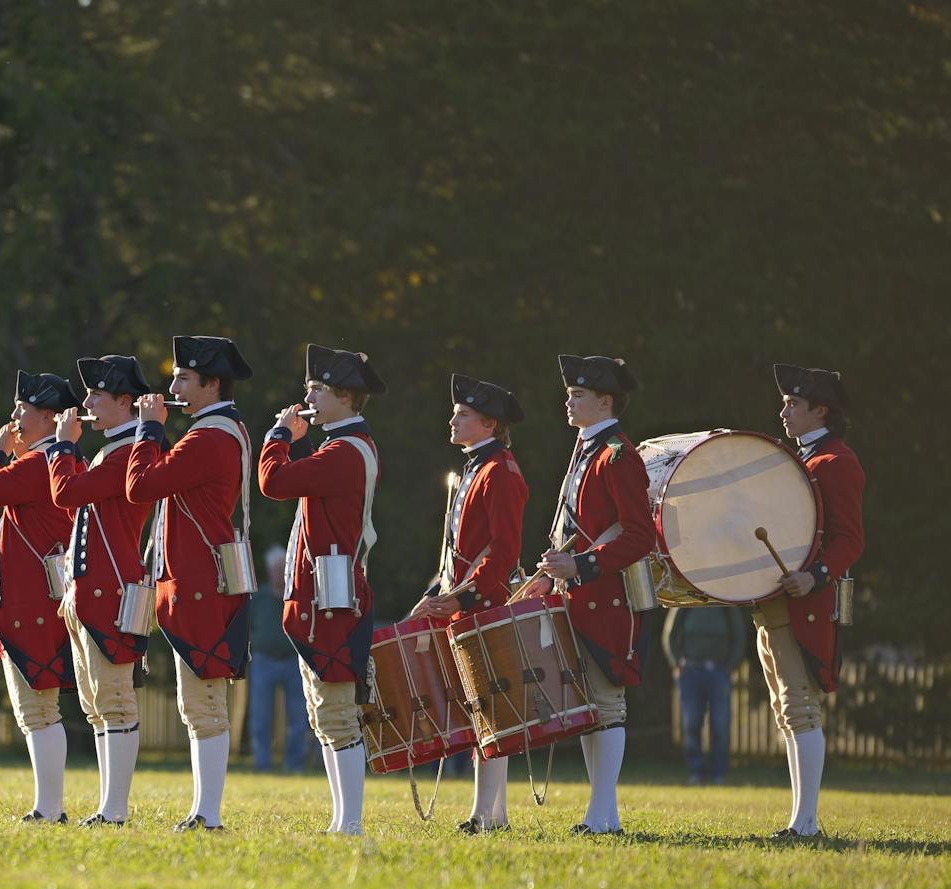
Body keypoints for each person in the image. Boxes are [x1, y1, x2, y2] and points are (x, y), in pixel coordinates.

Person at [523, 354, 659, 835]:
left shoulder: (619, 455)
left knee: (606, 704)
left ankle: (600, 817)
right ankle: (605, 814)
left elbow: (643, 535)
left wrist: (581, 566)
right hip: (578, 593)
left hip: (610, 597)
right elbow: (576, 528)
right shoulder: (588, 450)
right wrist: (552, 570)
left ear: (606, 401)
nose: (569, 400)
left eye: (578, 394)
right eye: (570, 392)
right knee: (586, 707)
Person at [126, 334, 254, 832]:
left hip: (200, 581)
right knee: (198, 702)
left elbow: (142, 485)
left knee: (203, 703)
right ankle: (204, 809)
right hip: (204, 577)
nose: (172, 384)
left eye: (182, 377)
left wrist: (147, 430)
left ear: (211, 383)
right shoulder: (219, 431)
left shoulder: (210, 436)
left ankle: (209, 812)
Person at [259, 343, 383, 835]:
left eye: (315, 389)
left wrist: (279, 435)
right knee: (324, 715)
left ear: (344, 396)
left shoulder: (345, 451)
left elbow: (273, 481)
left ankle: (350, 821)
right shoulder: (343, 445)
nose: (306, 396)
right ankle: (340, 820)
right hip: (324, 595)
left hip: (332, 598)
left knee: (336, 712)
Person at [411, 373, 529, 832]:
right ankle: (490, 812)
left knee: (489, 711)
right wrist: (437, 593)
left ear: (489, 424)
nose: (453, 419)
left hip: (485, 603)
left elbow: (504, 550)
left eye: (463, 414)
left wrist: (464, 597)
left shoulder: (500, 471)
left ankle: (487, 814)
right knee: (479, 710)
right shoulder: (476, 467)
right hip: (464, 601)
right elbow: (454, 549)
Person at [754, 363, 866, 838]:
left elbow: (850, 540)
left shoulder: (837, 462)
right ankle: (802, 820)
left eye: (793, 404)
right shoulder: (798, 460)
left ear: (821, 410)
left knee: (799, 708)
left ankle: (806, 822)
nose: (784, 412)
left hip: (805, 601)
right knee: (786, 710)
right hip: (775, 602)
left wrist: (816, 576)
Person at [0, 370, 81, 823]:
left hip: (32, 605)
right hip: (34, 602)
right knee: (37, 708)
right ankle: (48, 805)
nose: (13, 417)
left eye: (23, 409)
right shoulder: (48, 460)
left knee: (38, 708)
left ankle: (49, 808)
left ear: (49, 417)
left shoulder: (39, 463)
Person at [47, 355, 153, 826]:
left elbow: (66, 494)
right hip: (88, 592)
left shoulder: (127, 451)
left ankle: (116, 809)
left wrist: (61, 446)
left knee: (114, 701)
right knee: (95, 705)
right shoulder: (110, 450)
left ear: (124, 402)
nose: (85, 404)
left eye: (96, 396)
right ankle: (108, 806)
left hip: (110, 592)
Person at [662, 604, 748, 785]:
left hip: (719, 672)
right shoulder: (686, 601)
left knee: (720, 724)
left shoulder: (725, 601)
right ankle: (696, 772)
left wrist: (731, 666)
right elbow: (669, 635)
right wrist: (676, 662)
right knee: (691, 724)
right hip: (691, 671)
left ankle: (719, 774)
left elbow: (739, 637)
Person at [246, 546, 309, 772]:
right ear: (268, 571)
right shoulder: (259, 597)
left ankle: (295, 765)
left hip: (294, 661)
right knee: (260, 717)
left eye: (282, 569)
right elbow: (248, 628)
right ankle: (261, 764)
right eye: (275, 569)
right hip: (263, 661)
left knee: (299, 717)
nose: (278, 573)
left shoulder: (297, 596)